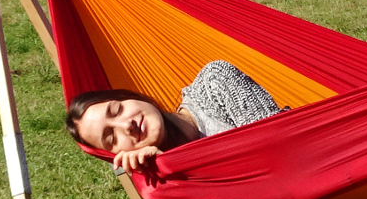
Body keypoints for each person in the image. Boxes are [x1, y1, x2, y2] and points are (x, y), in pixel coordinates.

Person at [66, 59, 281, 173]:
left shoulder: (215, 82)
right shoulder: (169, 184)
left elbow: (281, 144)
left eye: (117, 110)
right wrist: (165, 167)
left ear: (128, 96)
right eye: (112, 138)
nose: (126, 125)